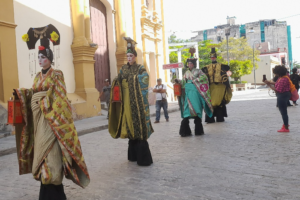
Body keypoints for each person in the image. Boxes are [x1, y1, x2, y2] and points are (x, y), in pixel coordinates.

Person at [13, 25, 90, 200]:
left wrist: (43, 101)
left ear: (50, 59)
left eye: (43, 57)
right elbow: (33, 93)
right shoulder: (37, 77)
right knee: (41, 150)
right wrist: (21, 94)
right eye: (39, 57)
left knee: (52, 152)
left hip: (53, 121)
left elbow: (60, 97)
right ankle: (44, 184)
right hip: (39, 122)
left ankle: (54, 183)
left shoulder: (57, 75)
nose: (40, 60)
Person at [108, 37, 153, 166]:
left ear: (135, 56)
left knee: (137, 121)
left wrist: (131, 80)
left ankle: (143, 156)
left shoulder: (140, 68)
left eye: (131, 56)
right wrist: (117, 81)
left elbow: (145, 78)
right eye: (127, 56)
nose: (129, 58)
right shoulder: (123, 69)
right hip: (126, 99)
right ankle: (133, 154)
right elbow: (119, 78)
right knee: (128, 120)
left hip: (136, 99)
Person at [175, 48, 213, 137]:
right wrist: (179, 81)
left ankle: (198, 130)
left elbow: (204, 78)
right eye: (189, 63)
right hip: (187, 92)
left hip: (195, 92)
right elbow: (184, 82)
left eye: (191, 63)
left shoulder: (199, 71)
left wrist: (195, 80)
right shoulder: (186, 72)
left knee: (196, 109)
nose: (190, 65)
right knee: (186, 112)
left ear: (194, 64)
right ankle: (185, 131)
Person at [202, 47, 232, 123]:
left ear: (216, 57)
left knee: (219, 102)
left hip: (220, 87)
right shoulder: (206, 68)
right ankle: (210, 118)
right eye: (211, 57)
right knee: (211, 102)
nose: (213, 58)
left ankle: (220, 117)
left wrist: (228, 74)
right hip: (210, 87)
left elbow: (228, 72)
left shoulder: (222, 66)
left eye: (214, 57)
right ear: (210, 58)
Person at [264, 65, 292, 132]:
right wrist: (269, 82)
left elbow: (277, 90)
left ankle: (286, 127)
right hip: (285, 95)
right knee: (284, 111)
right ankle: (285, 125)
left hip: (282, 96)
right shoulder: (284, 77)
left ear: (278, 72)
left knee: (283, 112)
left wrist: (269, 85)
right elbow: (277, 83)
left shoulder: (282, 79)